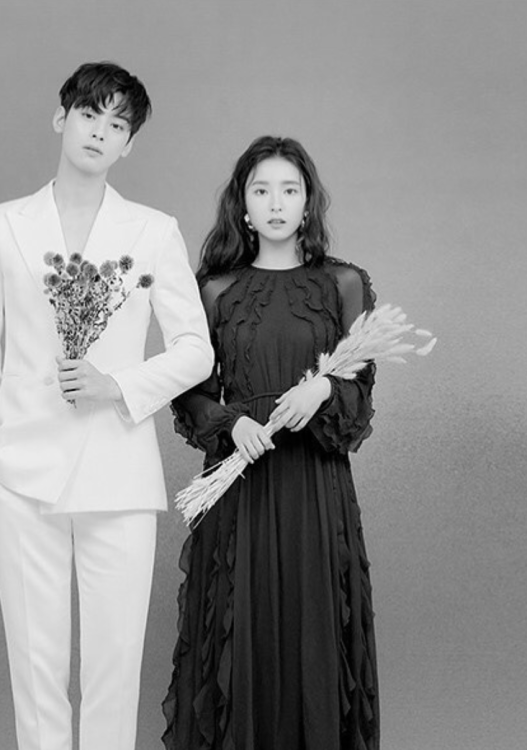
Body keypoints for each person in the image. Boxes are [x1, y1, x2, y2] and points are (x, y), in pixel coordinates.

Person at [0, 61, 213, 750]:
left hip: (117, 470)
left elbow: (195, 350)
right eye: (90, 114)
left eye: (118, 124)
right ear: (60, 118)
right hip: (18, 472)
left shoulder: (152, 231)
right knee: (35, 668)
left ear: (128, 145)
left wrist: (118, 386)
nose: (100, 131)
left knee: (112, 669)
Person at [162, 135, 380, 750]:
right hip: (239, 486)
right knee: (240, 637)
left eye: (289, 190)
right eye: (262, 190)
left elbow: (360, 395)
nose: (276, 203)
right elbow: (190, 394)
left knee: (313, 634)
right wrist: (231, 423)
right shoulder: (214, 290)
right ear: (244, 205)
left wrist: (323, 391)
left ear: (308, 203)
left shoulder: (343, 284)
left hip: (315, 490)